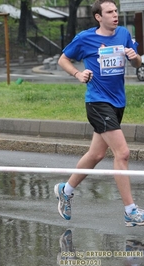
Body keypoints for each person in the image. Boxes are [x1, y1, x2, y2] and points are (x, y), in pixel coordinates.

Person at [54, 0, 143, 226]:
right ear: (98, 17)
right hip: (97, 102)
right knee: (122, 153)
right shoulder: (85, 38)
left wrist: (134, 57)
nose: (115, 15)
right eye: (110, 12)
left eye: (116, 11)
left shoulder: (123, 33)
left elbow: (137, 64)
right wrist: (77, 74)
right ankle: (130, 211)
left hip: (117, 103)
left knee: (96, 155)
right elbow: (63, 59)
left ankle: (66, 189)